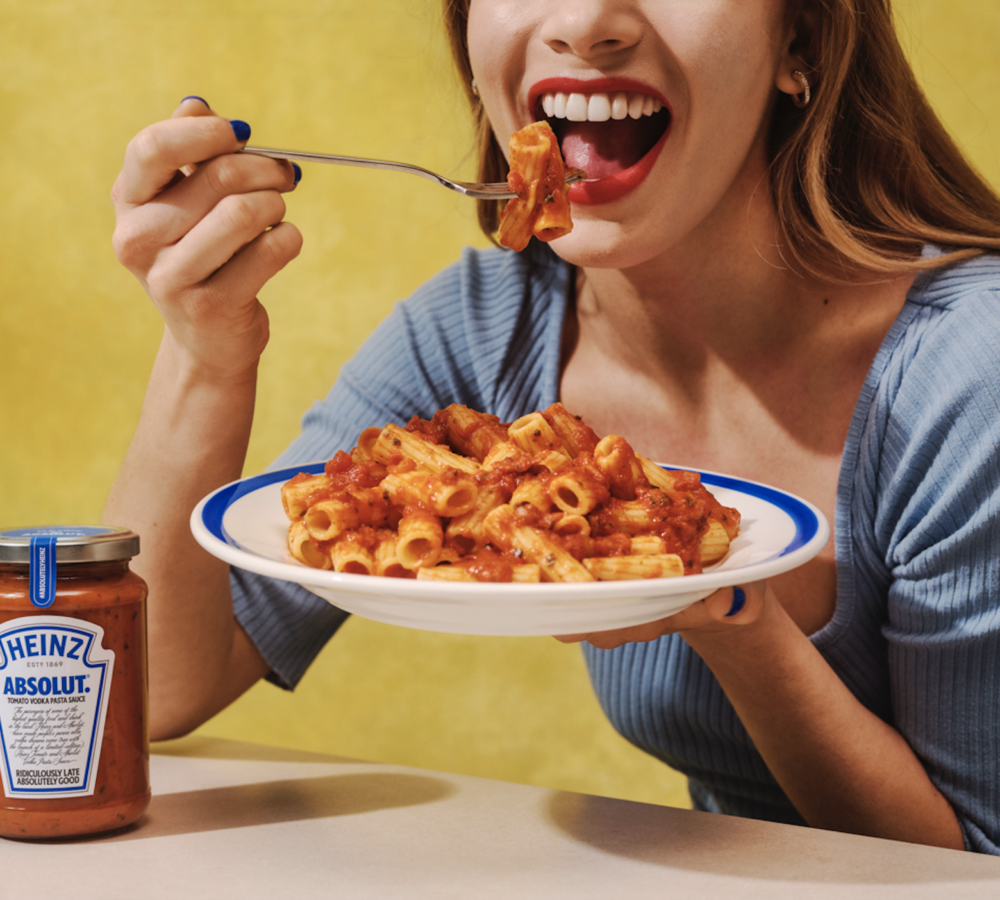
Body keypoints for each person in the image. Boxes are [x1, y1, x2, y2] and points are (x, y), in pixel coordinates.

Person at [106, 0, 1000, 853]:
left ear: (801, 36)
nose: (584, 23)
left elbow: (971, 864)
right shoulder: (487, 335)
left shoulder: (970, 371)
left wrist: (736, 619)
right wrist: (204, 353)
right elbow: (153, 692)